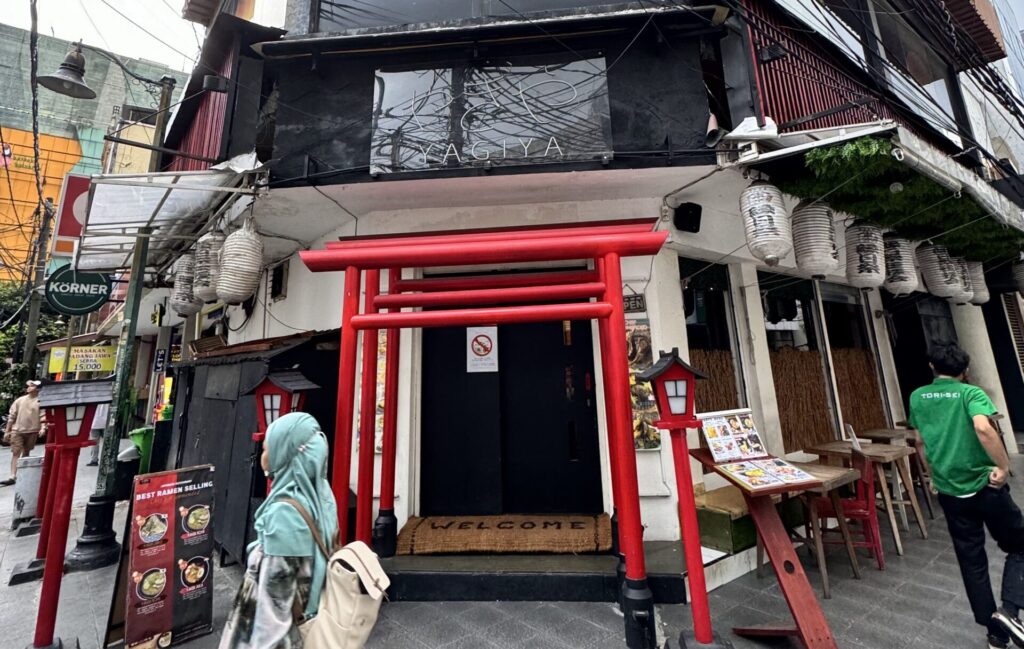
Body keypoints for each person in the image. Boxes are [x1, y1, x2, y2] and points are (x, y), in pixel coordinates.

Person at [909, 344, 1024, 649]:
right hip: (986, 487)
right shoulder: (970, 394)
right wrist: (1002, 465)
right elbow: (983, 428)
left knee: (971, 560)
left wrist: (932, 477)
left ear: (932, 366)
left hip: (950, 491)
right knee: (1020, 545)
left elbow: (919, 442)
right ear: (965, 371)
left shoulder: (918, 397)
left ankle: (995, 633)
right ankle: (1010, 611)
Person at [219, 412, 339, 649]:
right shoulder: (321, 497)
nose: (262, 456)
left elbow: (273, 614)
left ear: (286, 453)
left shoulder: (284, 516)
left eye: (267, 449)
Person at [2, 380, 44, 486]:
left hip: (32, 430)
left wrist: (43, 428)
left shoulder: (40, 402)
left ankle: (22, 473)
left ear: (38, 389)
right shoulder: (20, 400)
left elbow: (43, 416)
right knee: (16, 452)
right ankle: (12, 475)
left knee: (26, 452)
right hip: (17, 430)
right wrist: (7, 431)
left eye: (33, 385)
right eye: (29, 385)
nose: (29, 387)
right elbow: (11, 417)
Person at [87, 402, 109, 467]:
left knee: (94, 443)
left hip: (94, 422)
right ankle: (107, 460)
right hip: (106, 422)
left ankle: (94, 460)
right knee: (107, 442)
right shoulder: (109, 395)